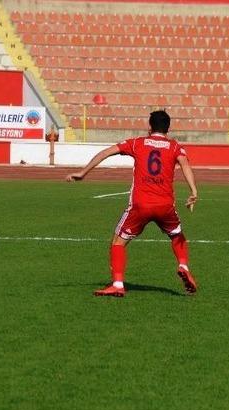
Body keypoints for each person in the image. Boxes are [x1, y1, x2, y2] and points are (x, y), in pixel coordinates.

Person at [66, 110, 199, 297]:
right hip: (165, 205)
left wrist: (83, 172)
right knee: (177, 235)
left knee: (118, 241)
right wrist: (193, 191)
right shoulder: (175, 147)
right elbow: (185, 165)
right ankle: (183, 265)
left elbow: (106, 152)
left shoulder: (137, 143)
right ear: (168, 129)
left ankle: (118, 284)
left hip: (140, 205)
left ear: (150, 127)